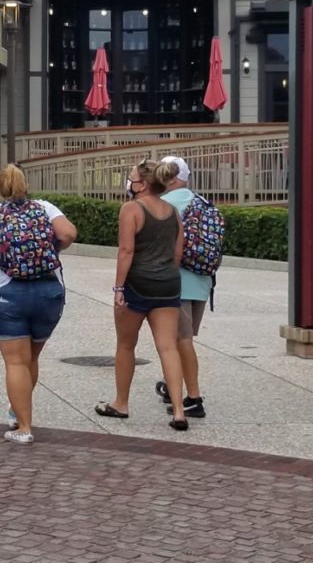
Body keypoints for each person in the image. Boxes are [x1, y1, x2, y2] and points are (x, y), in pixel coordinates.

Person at [0, 164, 77, 444]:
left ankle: (24, 427)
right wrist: (51, 250)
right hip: (49, 290)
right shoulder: (44, 207)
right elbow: (68, 234)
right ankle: (18, 410)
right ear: (24, 184)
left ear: (0, 187)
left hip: (9, 293)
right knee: (31, 358)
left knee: (15, 361)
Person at [95, 160, 188, 430]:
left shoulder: (131, 209)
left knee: (126, 345)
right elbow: (177, 253)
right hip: (168, 285)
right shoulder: (172, 212)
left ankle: (121, 403)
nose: (129, 181)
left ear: (143, 184)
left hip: (137, 284)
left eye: (131, 177)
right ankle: (179, 411)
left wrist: (118, 288)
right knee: (168, 346)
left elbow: (126, 251)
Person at [153, 156, 210, 417]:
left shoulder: (162, 205)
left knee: (181, 340)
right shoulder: (203, 202)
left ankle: (194, 398)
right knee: (180, 340)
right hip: (202, 281)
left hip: (177, 282)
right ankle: (171, 383)